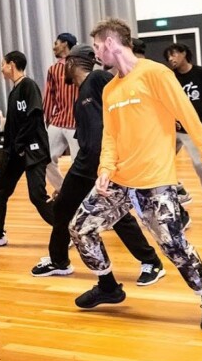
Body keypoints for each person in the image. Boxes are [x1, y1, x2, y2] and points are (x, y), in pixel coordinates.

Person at [69, 18, 202, 331]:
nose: (97, 53)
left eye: (99, 47)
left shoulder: (155, 73)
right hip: (118, 181)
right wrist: (104, 169)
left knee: (174, 245)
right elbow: (110, 137)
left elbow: (187, 114)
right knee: (80, 228)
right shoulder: (111, 89)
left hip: (155, 181)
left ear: (111, 43)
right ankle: (109, 286)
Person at [31, 44, 165, 286]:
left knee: (117, 216)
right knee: (62, 208)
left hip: (104, 163)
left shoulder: (97, 78)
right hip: (86, 163)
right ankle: (59, 261)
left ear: (71, 63)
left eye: (65, 65)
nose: (63, 70)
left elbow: (124, 100)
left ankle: (152, 262)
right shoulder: (82, 94)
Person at [0, 51, 54, 248]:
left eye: (3, 64)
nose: (1, 69)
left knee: (37, 196)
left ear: (11, 65)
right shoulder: (14, 91)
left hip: (32, 150)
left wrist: (19, 144)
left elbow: (34, 118)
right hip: (15, 152)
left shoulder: (28, 86)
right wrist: (11, 148)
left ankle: (65, 228)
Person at [164, 43, 202, 212]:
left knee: (199, 164)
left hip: (196, 128)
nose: (171, 59)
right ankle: (179, 190)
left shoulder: (201, 73)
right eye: (168, 56)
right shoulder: (170, 77)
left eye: (174, 54)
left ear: (184, 54)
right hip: (175, 128)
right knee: (161, 161)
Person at [43, 33, 80, 194]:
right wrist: (46, 120)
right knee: (45, 158)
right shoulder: (53, 69)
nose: (53, 46)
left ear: (65, 44)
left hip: (77, 123)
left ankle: (80, 195)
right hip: (58, 121)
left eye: (56, 43)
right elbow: (49, 96)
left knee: (78, 163)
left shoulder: (81, 66)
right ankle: (65, 191)